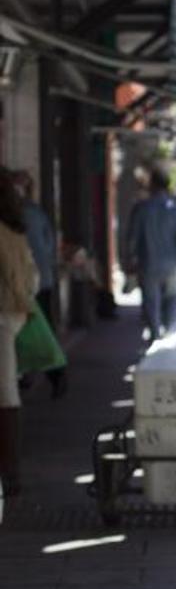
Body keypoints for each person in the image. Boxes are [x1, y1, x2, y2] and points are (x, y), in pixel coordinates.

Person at [11, 169, 65, 398]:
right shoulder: (34, 213)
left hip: (29, 282)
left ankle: (51, 374)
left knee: (37, 331)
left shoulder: (22, 216)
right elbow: (49, 247)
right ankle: (43, 374)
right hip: (37, 280)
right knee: (39, 330)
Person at [0, 170, 38, 496]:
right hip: (11, 317)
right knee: (7, 392)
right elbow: (31, 280)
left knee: (6, 394)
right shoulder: (16, 233)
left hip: (1, 318)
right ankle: (11, 471)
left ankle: (11, 472)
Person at [125, 165, 176, 343]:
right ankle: (170, 335)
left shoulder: (142, 208)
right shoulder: (175, 208)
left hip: (148, 262)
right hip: (171, 262)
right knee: (172, 299)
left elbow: (132, 238)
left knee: (152, 302)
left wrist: (130, 258)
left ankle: (155, 337)